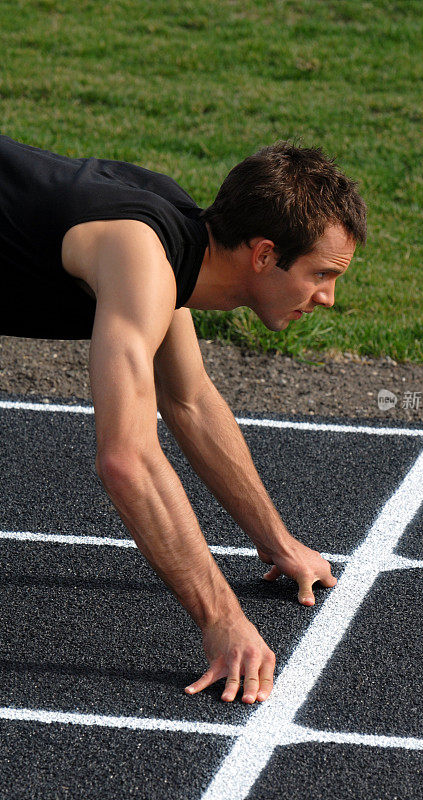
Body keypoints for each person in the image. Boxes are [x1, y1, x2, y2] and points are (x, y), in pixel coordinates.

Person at [0, 135, 367, 704]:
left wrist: (276, 540)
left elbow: (190, 400)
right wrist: (221, 617)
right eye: (322, 274)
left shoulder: (173, 242)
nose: (328, 297)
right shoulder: (142, 255)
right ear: (265, 254)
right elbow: (125, 459)